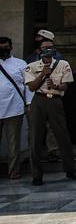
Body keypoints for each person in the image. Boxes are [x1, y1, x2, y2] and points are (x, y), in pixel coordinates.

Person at [24, 37, 76, 186]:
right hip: (39, 100)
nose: (48, 50)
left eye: (51, 47)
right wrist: (43, 74)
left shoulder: (63, 64)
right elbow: (31, 87)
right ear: (39, 50)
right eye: (45, 48)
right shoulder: (31, 66)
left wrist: (57, 86)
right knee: (35, 138)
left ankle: (71, 170)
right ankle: (37, 175)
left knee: (62, 135)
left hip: (55, 100)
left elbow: (66, 86)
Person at [0, 38, 28, 180]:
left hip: (14, 109)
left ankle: (14, 171)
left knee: (13, 143)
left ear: (11, 47)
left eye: (6, 47)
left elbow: (28, 85)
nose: (3, 49)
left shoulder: (20, 64)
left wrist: (28, 103)